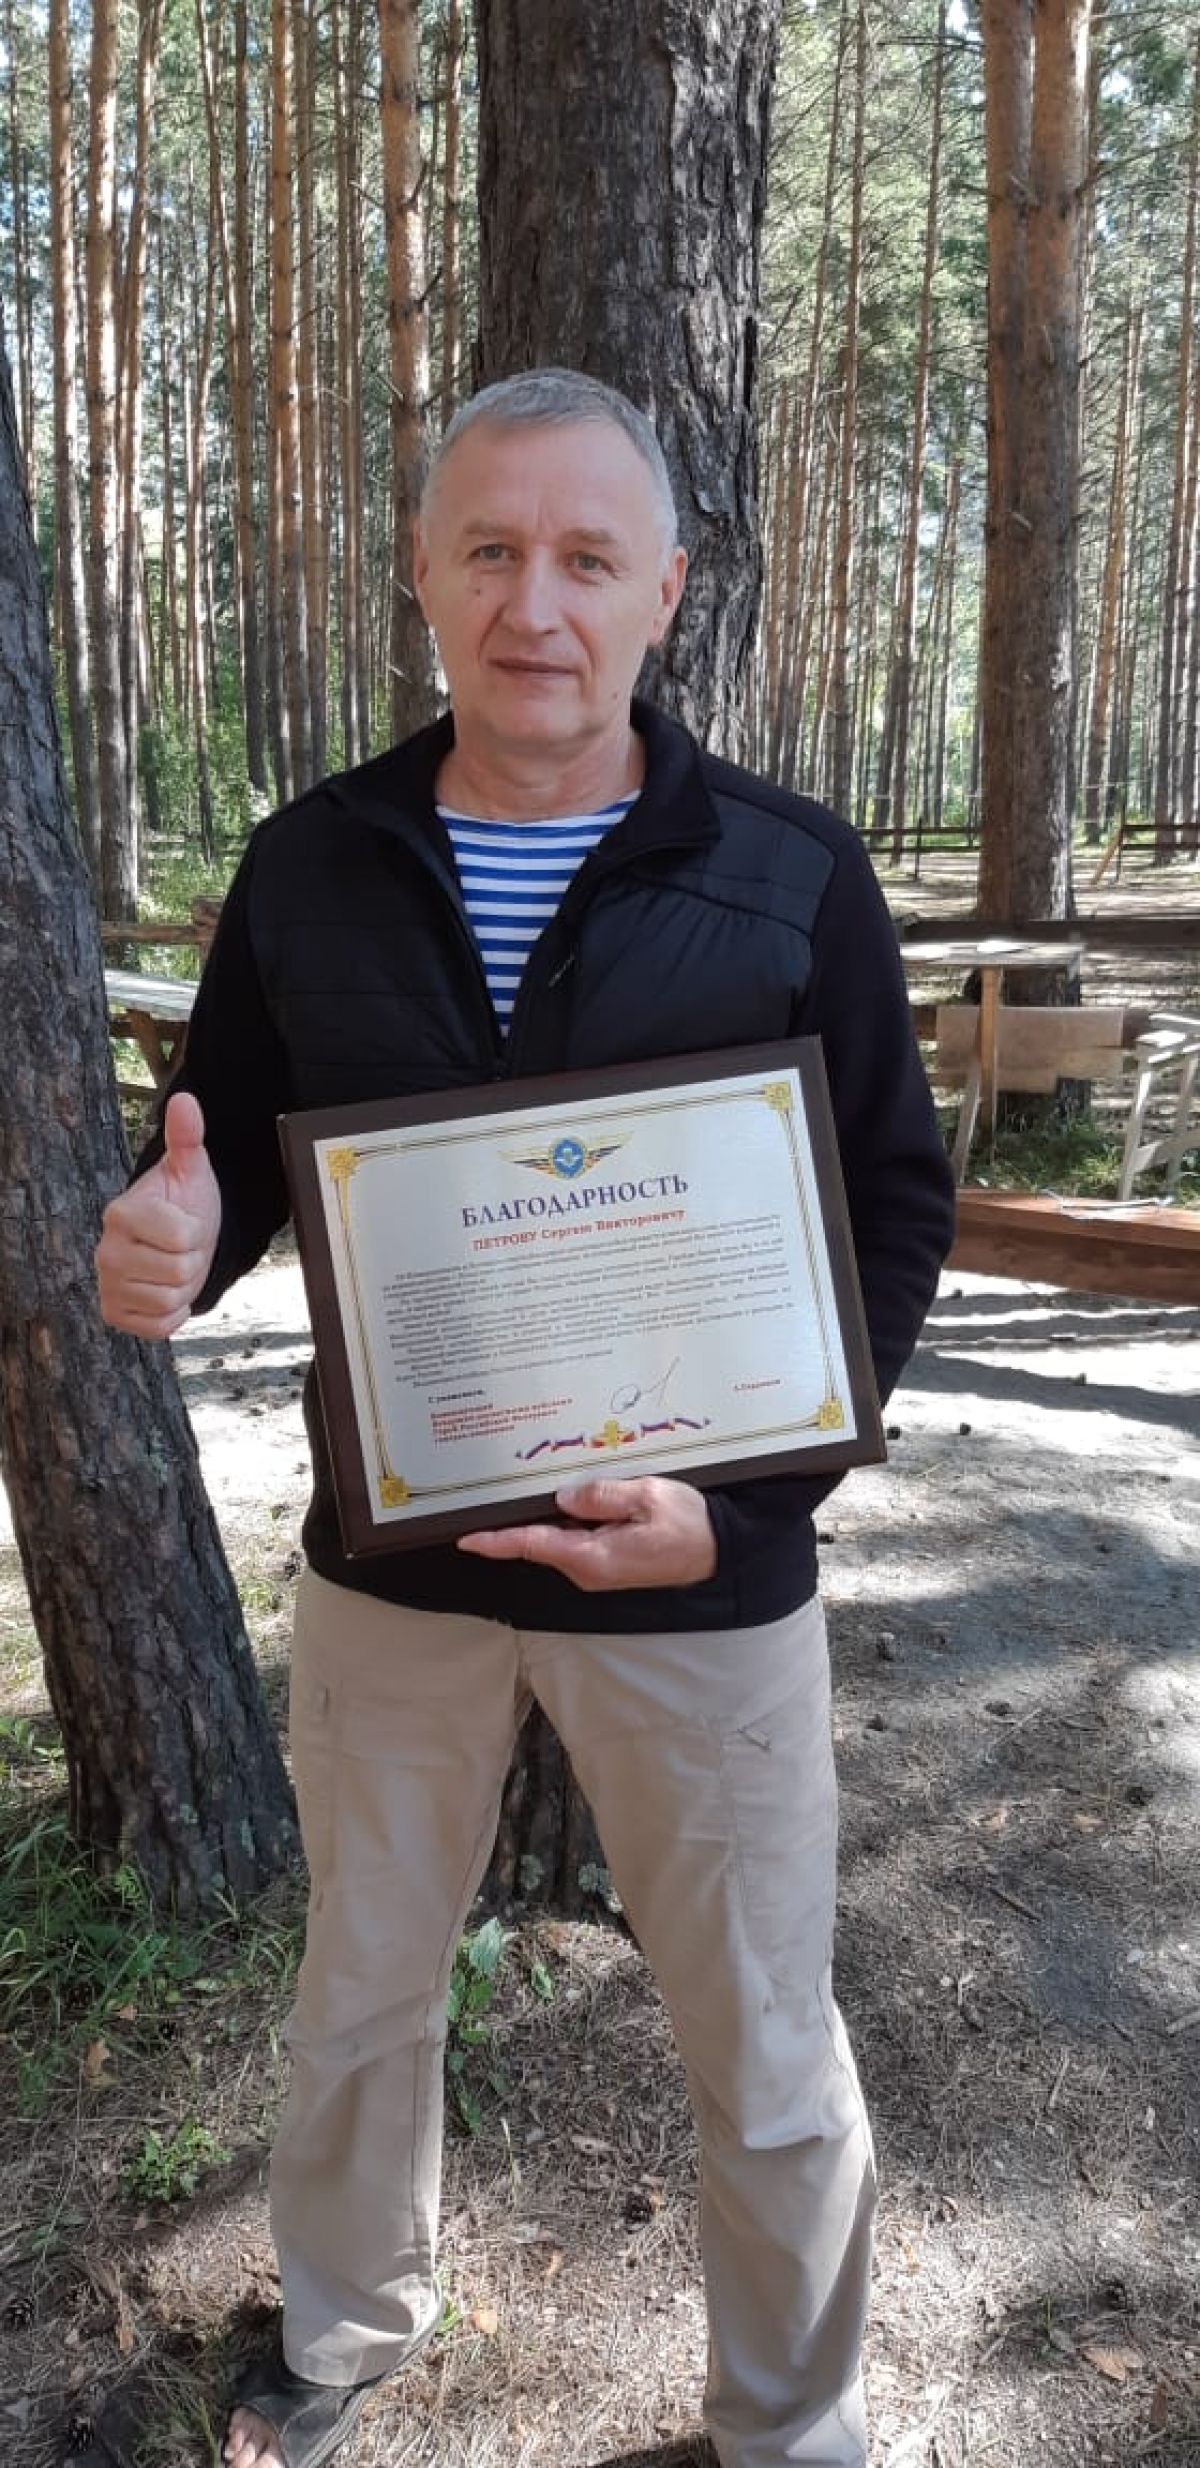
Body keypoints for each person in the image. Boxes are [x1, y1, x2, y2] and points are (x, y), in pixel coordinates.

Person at [97, 368, 956, 2468]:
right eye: (489, 549)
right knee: (360, 1995)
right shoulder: (310, 866)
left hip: (702, 1584)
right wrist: (174, 1240)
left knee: (766, 2036)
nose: (534, 603)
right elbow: (228, 1158)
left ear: (668, 587)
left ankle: (795, 2424)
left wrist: (752, 1509)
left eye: (586, 556)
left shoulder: (790, 873)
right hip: (396, 1577)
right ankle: (343, 2326)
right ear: (423, 573)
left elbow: (893, 1207)